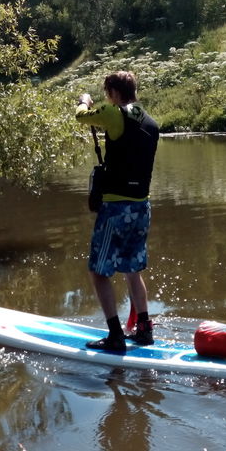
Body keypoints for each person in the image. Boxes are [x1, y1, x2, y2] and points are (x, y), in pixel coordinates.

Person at [75, 71, 159, 352]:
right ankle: (144, 330)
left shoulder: (113, 113)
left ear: (113, 92)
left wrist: (84, 101)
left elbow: (81, 117)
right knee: (132, 269)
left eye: (105, 91)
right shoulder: (151, 122)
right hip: (142, 206)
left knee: (99, 272)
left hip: (116, 207)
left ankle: (115, 337)